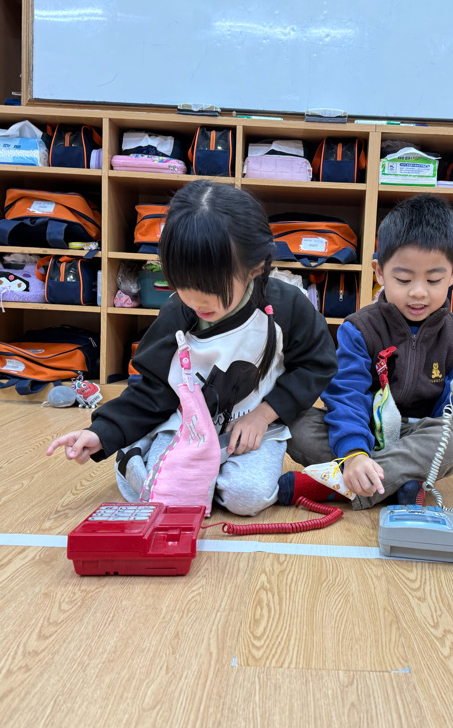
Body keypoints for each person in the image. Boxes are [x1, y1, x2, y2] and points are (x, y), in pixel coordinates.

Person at [47, 180, 338, 517]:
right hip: (184, 425)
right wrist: (101, 432)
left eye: (212, 288)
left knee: (248, 498)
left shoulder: (287, 307)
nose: (197, 300)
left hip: (254, 428)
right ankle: (139, 447)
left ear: (255, 268)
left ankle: (189, 477)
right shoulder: (177, 312)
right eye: (183, 283)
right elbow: (152, 390)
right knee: (167, 498)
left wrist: (263, 414)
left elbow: (317, 365)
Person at [284, 194, 453, 509]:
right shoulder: (358, 328)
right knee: (296, 425)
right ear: (379, 272)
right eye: (403, 279)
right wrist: (355, 453)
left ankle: (343, 486)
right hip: (365, 431)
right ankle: (399, 481)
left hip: (417, 436)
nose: (418, 292)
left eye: (434, 279)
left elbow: (450, 421)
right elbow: (347, 395)